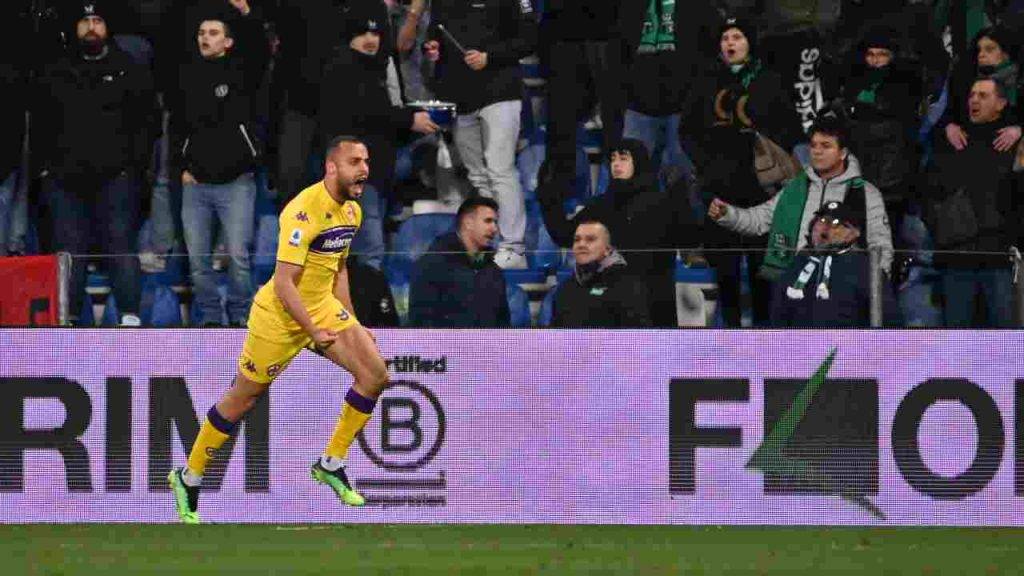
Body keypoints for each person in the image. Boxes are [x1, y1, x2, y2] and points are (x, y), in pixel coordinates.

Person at [168, 136, 390, 523]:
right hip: (280, 317)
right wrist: (312, 331)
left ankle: (330, 463)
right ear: (332, 167)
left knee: (375, 375)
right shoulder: (303, 211)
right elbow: (285, 282)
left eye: (367, 160)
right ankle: (189, 477)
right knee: (244, 398)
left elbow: (338, 268)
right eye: (355, 161)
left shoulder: (352, 212)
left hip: (321, 308)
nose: (364, 168)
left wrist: (353, 321)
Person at [34, 0, 160, 326]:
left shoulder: (128, 67)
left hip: (116, 178)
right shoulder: (57, 70)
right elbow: (41, 124)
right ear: (75, 28)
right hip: (64, 181)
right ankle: (69, 319)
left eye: (98, 21)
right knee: (69, 252)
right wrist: (47, 169)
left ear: (108, 27)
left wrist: (134, 167)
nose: (92, 27)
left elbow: (147, 123)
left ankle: (130, 319)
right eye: (85, 21)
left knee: (120, 245)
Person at [684, 16, 804, 327]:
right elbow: (688, 131)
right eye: (725, 38)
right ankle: (730, 337)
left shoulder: (770, 80)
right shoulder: (705, 79)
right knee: (724, 270)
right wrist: (706, 164)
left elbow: (790, 129)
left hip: (759, 190)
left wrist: (769, 156)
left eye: (737, 36)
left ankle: (763, 339)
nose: (731, 43)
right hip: (719, 185)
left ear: (750, 43)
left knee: (761, 268)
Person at [318, 6, 438, 270]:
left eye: (375, 33)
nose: (370, 39)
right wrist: (411, 119)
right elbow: (368, 110)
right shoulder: (343, 66)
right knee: (370, 252)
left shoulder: (374, 67)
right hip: (357, 176)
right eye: (363, 34)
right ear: (350, 37)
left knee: (365, 251)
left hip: (375, 172)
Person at [171, 9, 270, 326]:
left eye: (213, 33)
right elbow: (176, 127)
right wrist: (181, 169)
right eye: (201, 32)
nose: (205, 38)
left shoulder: (244, 72)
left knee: (239, 258)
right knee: (198, 261)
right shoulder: (185, 75)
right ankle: (211, 318)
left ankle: (242, 317)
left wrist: (246, 14)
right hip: (196, 184)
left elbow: (261, 49)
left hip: (236, 182)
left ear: (228, 42)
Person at [422, 0, 538, 269]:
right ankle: (492, 243)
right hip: (461, 97)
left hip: (500, 92)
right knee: (477, 175)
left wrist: (490, 57)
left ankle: (514, 247)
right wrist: (431, 48)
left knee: (500, 169)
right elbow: (434, 36)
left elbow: (530, 38)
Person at [707, 115, 894, 281]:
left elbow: (881, 246)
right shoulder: (795, 189)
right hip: (795, 285)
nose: (817, 151)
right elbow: (758, 221)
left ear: (843, 153)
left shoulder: (867, 193)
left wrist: (875, 289)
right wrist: (727, 214)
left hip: (844, 288)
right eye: (813, 145)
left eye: (826, 146)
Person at [539, 138, 691, 327]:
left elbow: (687, 239)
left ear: (639, 161)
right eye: (613, 159)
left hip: (654, 308)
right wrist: (548, 196)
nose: (616, 164)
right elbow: (563, 234)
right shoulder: (601, 205)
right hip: (609, 307)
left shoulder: (662, 203)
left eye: (623, 158)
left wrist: (681, 198)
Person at [925, 77, 1021, 327]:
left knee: (1004, 340)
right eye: (971, 95)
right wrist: (943, 228)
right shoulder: (952, 139)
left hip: (998, 258)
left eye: (983, 95)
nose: (974, 100)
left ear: (1001, 103)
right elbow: (927, 191)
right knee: (958, 341)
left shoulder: (1013, 143)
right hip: (956, 258)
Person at [771, 199, 899, 327]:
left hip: (849, 344)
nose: (825, 228)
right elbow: (778, 313)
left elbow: (889, 319)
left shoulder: (864, 269)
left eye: (836, 223)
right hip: (801, 344)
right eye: (821, 221)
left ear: (854, 233)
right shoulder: (799, 262)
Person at [408, 196, 510, 327]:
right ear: (468, 222)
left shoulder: (494, 272)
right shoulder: (430, 267)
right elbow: (421, 326)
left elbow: (503, 326)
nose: (494, 229)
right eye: (488, 221)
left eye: (496, 222)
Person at [550, 219, 651, 328]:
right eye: (577, 240)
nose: (581, 244)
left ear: (607, 249)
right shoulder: (565, 288)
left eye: (590, 239)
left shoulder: (628, 285)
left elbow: (638, 338)